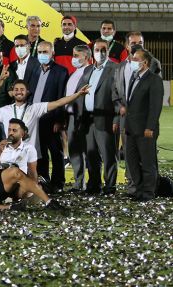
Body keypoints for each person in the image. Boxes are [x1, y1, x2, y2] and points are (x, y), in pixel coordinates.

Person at [0, 79, 90, 173]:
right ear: (12, 92)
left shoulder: (35, 108)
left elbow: (59, 103)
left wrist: (78, 94)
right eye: (16, 89)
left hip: (31, 156)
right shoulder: (5, 110)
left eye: (22, 89)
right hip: (11, 157)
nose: (19, 91)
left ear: (27, 92)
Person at [75, 39, 119, 196]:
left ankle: (110, 187)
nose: (100, 52)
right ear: (92, 52)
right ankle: (94, 185)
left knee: (108, 155)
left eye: (104, 49)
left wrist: (116, 119)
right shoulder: (88, 70)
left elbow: (119, 97)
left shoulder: (115, 69)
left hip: (106, 119)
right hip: (88, 120)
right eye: (97, 49)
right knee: (91, 154)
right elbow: (80, 93)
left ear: (108, 51)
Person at [27, 41, 69, 193]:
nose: (42, 55)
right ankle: (44, 180)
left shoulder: (61, 71)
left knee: (55, 151)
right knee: (40, 151)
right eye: (39, 52)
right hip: (35, 118)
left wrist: (59, 120)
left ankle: (58, 183)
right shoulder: (34, 70)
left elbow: (62, 97)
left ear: (52, 53)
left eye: (45, 52)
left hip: (51, 119)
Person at [123, 48, 163, 202]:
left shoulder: (154, 80)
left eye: (136, 59)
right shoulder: (134, 78)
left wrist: (150, 127)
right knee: (132, 162)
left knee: (147, 162)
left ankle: (148, 192)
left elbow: (155, 106)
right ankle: (138, 191)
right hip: (131, 129)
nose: (132, 61)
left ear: (145, 62)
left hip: (145, 130)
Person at [65, 44, 91, 191]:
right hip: (71, 117)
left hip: (84, 117)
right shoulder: (73, 74)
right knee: (74, 150)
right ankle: (79, 182)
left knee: (88, 151)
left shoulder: (90, 72)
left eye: (76, 55)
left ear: (85, 57)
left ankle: (92, 183)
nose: (73, 58)